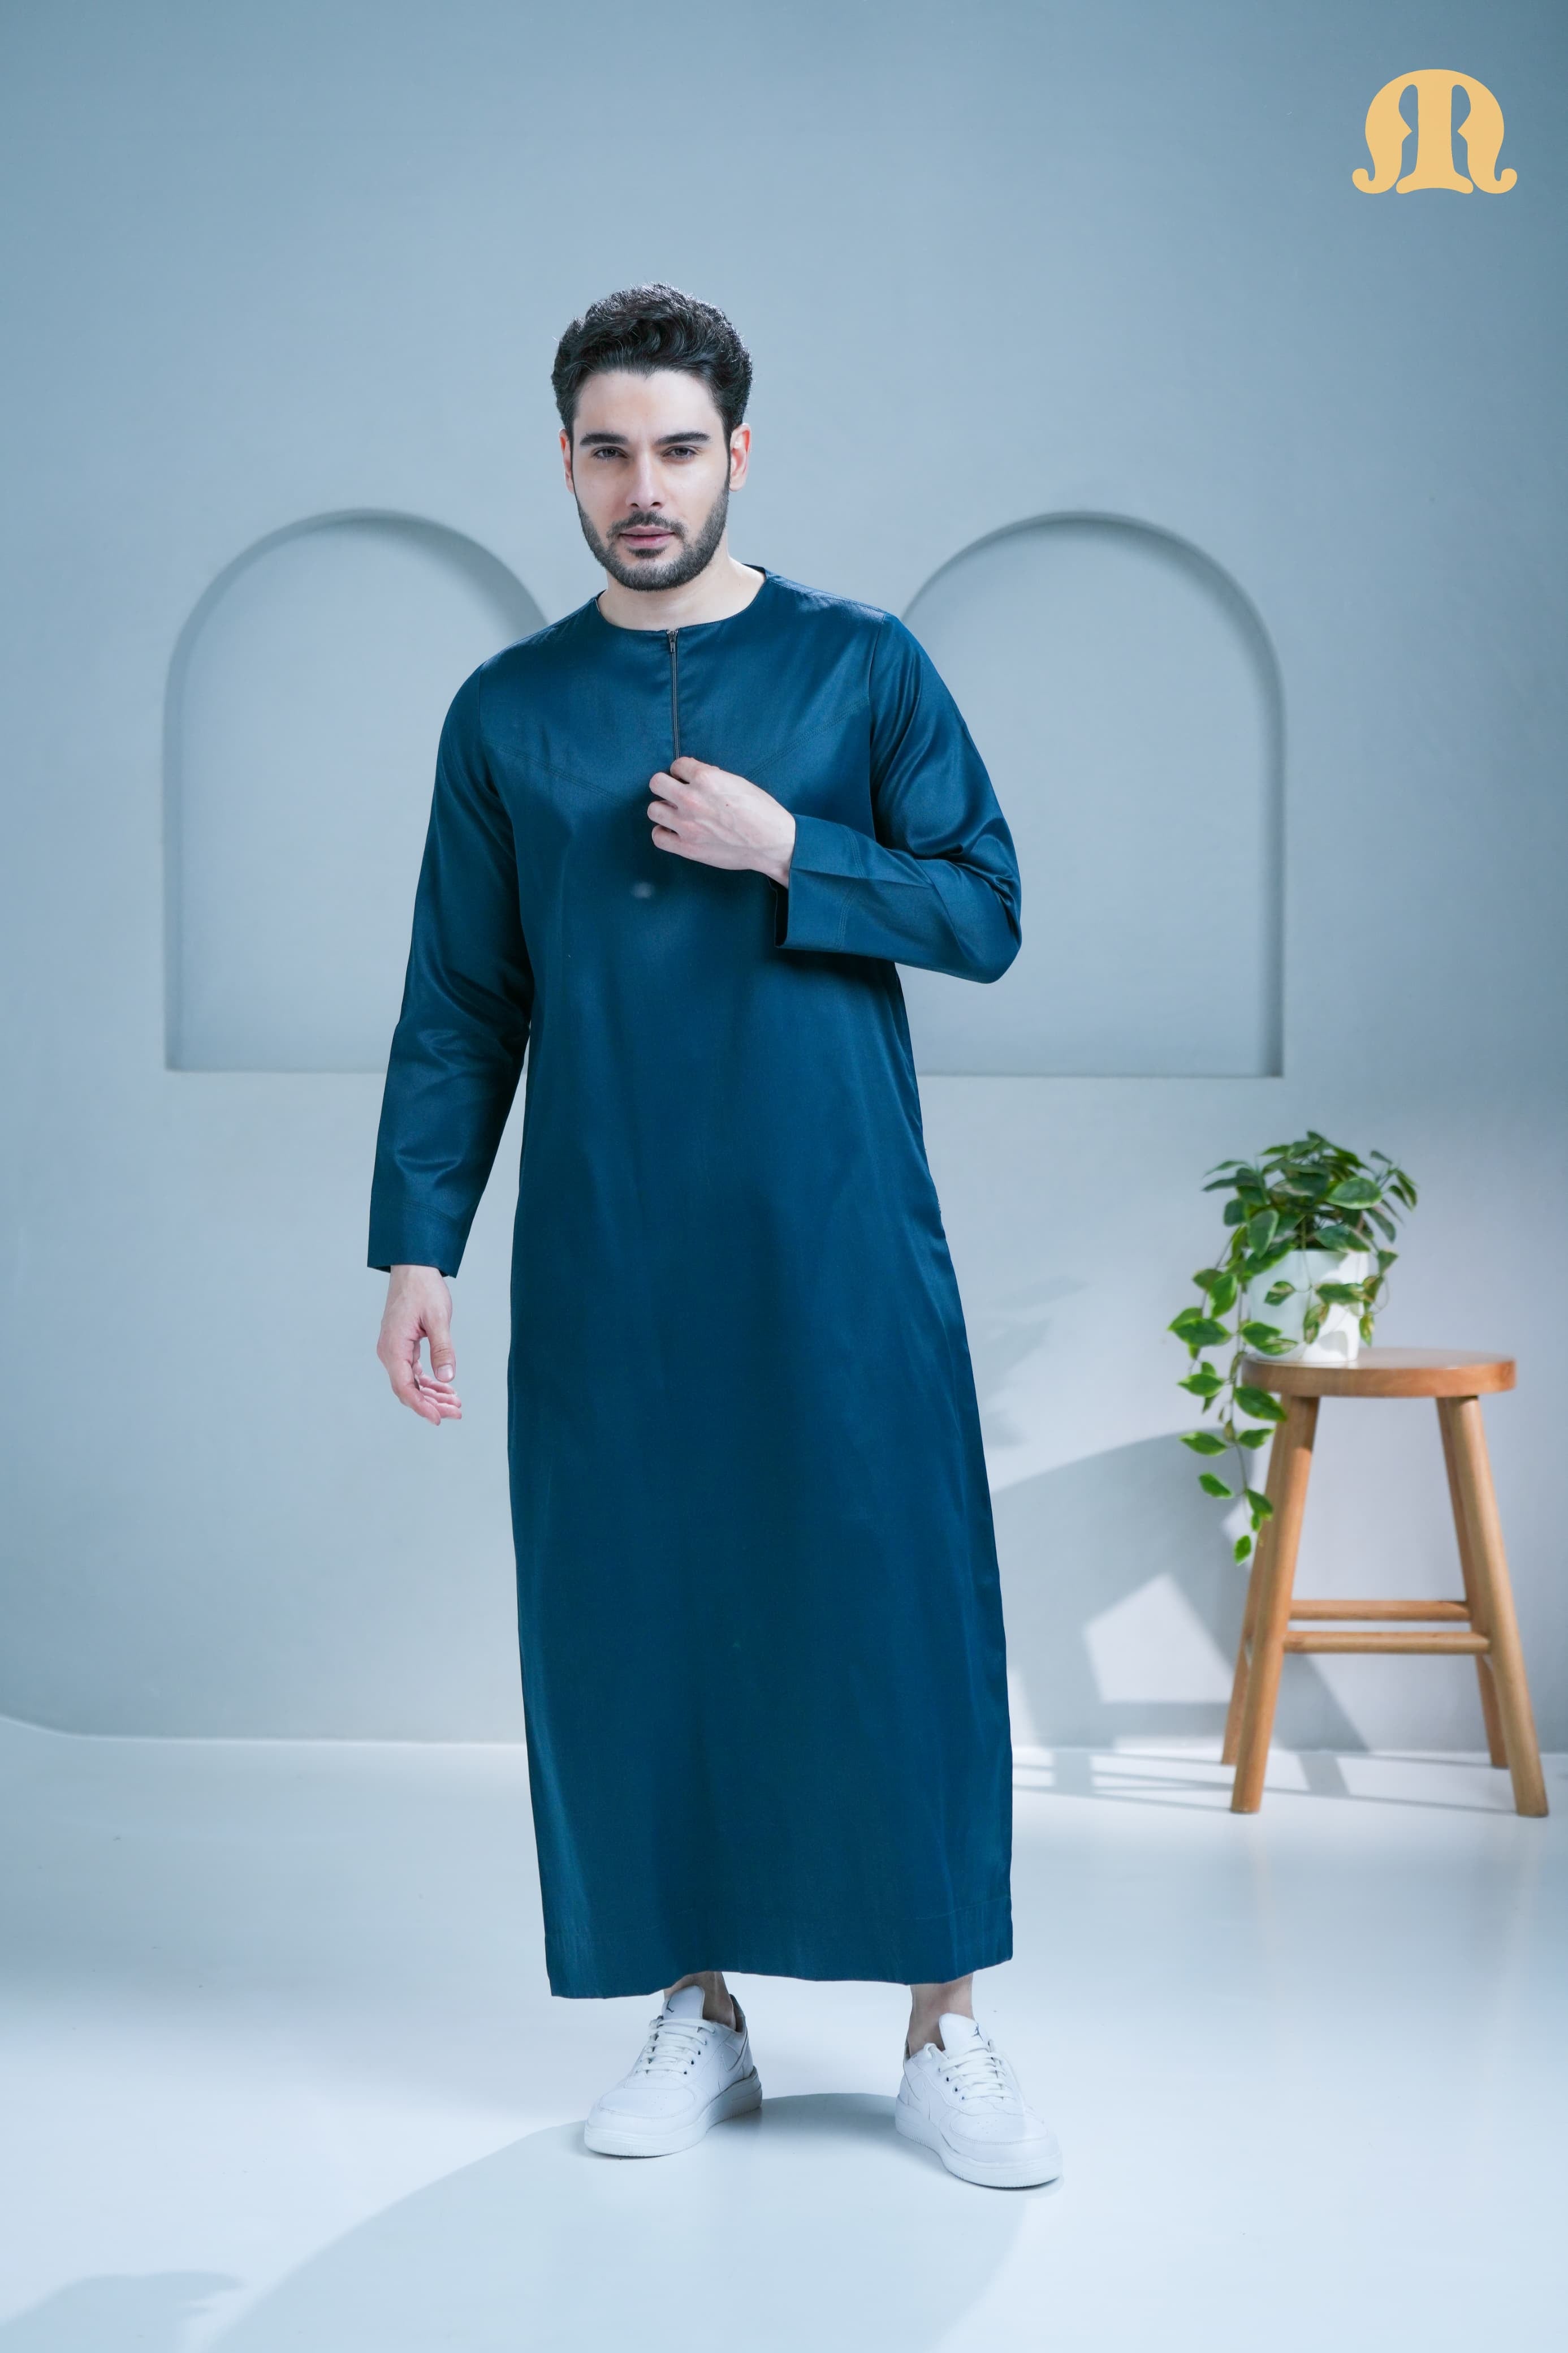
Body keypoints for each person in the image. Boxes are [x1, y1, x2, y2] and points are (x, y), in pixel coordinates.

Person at [369, 284, 1061, 2190]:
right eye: (610, 451)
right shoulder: (507, 713)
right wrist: (420, 1245)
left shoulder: (862, 666)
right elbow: (462, 1000)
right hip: (613, 1245)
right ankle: (702, 2011)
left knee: (894, 1600)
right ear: (566, 462)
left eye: (679, 448)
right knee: (638, 1608)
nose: (646, 486)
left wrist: (792, 850)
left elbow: (988, 910)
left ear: (739, 452)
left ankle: (946, 2025)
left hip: (838, 1230)